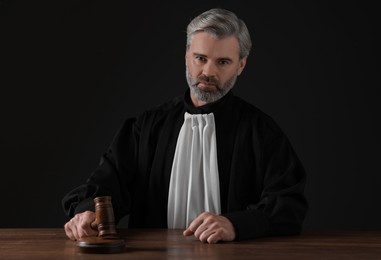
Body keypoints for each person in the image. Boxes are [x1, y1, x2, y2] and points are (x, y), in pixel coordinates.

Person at [62, 8, 308, 244]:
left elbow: (289, 204)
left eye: (223, 62)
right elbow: (107, 184)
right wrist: (89, 213)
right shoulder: (148, 126)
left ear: (240, 65)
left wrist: (236, 225)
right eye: (200, 58)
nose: (208, 72)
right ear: (186, 55)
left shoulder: (261, 131)